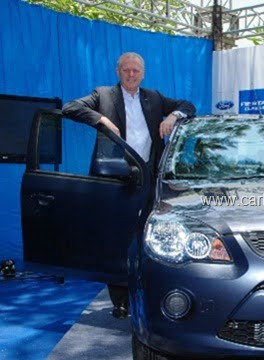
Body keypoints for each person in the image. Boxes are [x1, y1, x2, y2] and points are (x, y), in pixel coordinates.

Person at [62, 51, 196, 319]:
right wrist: (101, 119)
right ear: (118, 72)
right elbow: (70, 108)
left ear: (143, 73)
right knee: (117, 240)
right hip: (116, 180)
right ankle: (120, 300)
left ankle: (150, 291)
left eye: (135, 70)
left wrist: (173, 117)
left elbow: (188, 106)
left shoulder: (155, 97)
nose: (131, 74)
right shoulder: (103, 95)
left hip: (149, 179)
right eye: (126, 70)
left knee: (149, 237)